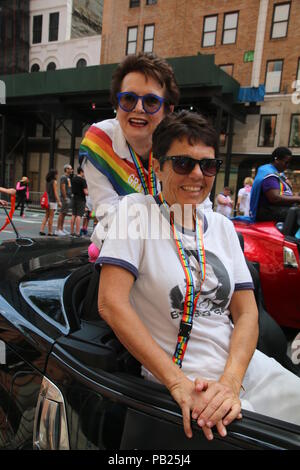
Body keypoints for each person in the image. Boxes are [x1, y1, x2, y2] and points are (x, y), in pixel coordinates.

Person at [97, 111, 300, 442]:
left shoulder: (221, 226)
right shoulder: (136, 216)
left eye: (208, 165)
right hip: (185, 380)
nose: (197, 174)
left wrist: (232, 380)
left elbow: (246, 312)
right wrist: (177, 383)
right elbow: (111, 302)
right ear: (157, 166)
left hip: (243, 370)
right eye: (182, 163)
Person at [79, 52, 212, 259]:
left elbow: (201, 214)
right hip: (120, 257)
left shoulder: (182, 146)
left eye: (150, 101)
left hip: (176, 258)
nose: (138, 109)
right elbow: (110, 219)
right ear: (117, 104)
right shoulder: (99, 141)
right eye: (129, 99)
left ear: (168, 109)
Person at [250, 147, 300, 222]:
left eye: (289, 162)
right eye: (286, 162)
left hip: (276, 209)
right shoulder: (269, 173)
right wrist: (297, 199)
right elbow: (274, 198)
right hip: (268, 211)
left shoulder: (278, 173)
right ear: (276, 160)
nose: (287, 165)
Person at [40, 169, 61, 236]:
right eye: (57, 174)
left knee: (46, 216)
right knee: (51, 217)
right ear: (54, 175)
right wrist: (59, 201)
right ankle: (50, 231)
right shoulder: (54, 181)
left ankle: (42, 229)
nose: (57, 175)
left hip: (47, 201)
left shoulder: (48, 181)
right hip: (52, 201)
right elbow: (55, 192)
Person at [70, 166, 88, 237]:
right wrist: (90, 192)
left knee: (73, 214)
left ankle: (72, 232)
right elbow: (85, 192)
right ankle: (77, 232)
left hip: (74, 198)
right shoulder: (83, 180)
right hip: (81, 199)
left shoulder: (73, 179)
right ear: (81, 172)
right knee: (79, 215)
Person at [56, 164, 73, 236]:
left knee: (64, 213)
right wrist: (65, 197)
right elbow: (62, 188)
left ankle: (62, 228)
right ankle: (58, 229)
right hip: (64, 198)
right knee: (61, 213)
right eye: (70, 169)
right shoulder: (63, 177)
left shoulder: (68, 177)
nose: (71, 170)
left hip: (68, 197)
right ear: (66, 169)